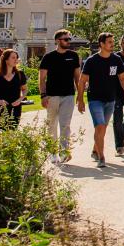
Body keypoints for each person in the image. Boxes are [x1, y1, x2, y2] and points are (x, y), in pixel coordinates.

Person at [78, 32, 124, 168]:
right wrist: (80, 100)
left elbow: (123, 77)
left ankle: (95, 149)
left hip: (110, 99)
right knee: (100, 126)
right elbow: (82, 80)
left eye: (113, 41)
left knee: (103, 129)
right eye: (109, 42)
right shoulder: (92, 60)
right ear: (101, 44)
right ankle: (102, 157)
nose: (112, 44)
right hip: (95, 99)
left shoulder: (116, 59)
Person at [39, 29, 82, 162]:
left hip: (68, 95)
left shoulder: (74, 56)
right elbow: (41, 79)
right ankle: (52, 152)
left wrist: (80, 96)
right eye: (66, 39)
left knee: (65, 125)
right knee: (51, 124)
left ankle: (64, 152)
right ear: (57, 41)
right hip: (52, 96)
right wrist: (43, 95)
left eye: (69, 39)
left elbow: (77, 77)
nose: (68, 41)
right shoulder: (48, 57)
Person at [0, 49, 27, 132]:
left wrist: (20, 100)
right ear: (5, 60)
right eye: (13, 58)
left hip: (15, 109)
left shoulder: (20, 74)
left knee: (11, 136)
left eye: (16, 58)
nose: (16, 60)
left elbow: (25, 90)